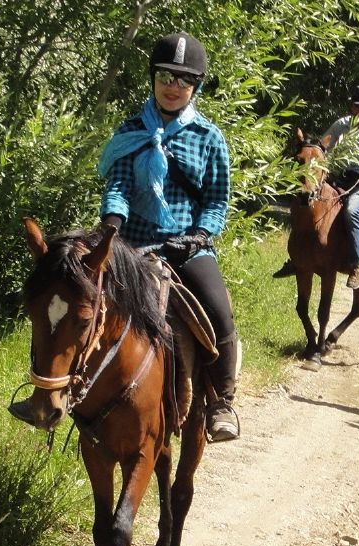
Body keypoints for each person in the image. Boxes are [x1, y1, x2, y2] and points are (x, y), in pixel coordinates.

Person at [95, 31, 240, 442]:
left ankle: (221, 402)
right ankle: (68, 392)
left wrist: (198, 236)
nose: (173, 86)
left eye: (183, 79)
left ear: (196, 86)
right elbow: (119, 186)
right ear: (152, 78)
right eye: (165, 76)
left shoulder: (209, 138)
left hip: (186, 247)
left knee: (218, 311)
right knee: (77, 303)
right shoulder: (130, 130)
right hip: (132, 243)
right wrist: (112, 225)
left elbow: (216, 201)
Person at [272, 85, 359, 288]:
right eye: (357, 107)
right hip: (340, 177)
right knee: (304, 203)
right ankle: (297, 259)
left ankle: (357, 265)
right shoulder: (341, 125)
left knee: (352, 211)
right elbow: (322, 149)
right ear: (352, 107)